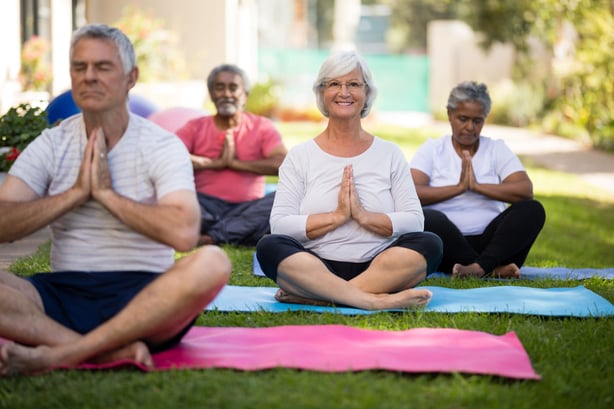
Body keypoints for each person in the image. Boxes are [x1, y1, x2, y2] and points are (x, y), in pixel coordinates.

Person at [0, 24, 231, 376]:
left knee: (213, 261)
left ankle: (62, 353)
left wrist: (108, 195)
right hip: (62, 295)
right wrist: (74, 195)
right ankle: (103, 352)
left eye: (103, 67)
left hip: (145, 301)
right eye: (80, 67)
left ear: (131, 77)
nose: (89, 77)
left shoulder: (161, 145)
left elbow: (184, 233)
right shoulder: (52, 143)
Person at [255, 51, 443, 310]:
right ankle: (372, 301)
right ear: (322, 92)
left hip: (379, 264)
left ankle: (318, 296)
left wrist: (365, 216)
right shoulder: (300, 156)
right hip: (316, 264)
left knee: (430, 243)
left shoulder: (389, 153)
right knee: (269, 246)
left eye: (353, 84)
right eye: (334, 84)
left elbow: (414, 219)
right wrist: (337, 216)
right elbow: (280, 225)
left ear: (367, 93)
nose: (344, 92)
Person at [410, 81, 546, 279]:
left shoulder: (496, 149)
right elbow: (411, 193)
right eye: (463, 119)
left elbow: (525, 191)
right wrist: (458, 188)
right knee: (426, 217)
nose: (469, 127)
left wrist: (476, 186)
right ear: (449, 115)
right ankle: (490, 269)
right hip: (448, 244)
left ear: (484, 119)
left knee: (533, 209)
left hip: (496, 245)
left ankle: (478, 267)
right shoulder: (432, 149)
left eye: (477, 121)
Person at [175, 64, 287, 246]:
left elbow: (283, 164)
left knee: (283, 198)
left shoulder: (262, 126)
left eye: (233, 88)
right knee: (173, 195)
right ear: (211, 94)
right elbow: (168, 156)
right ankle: (237, 232)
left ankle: (211, 236)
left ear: (245, 94)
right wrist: (212, 163)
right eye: (219, 88)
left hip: (249, 209)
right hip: (203, 207)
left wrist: (235, 163)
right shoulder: (195, 126)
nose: (226, 94)